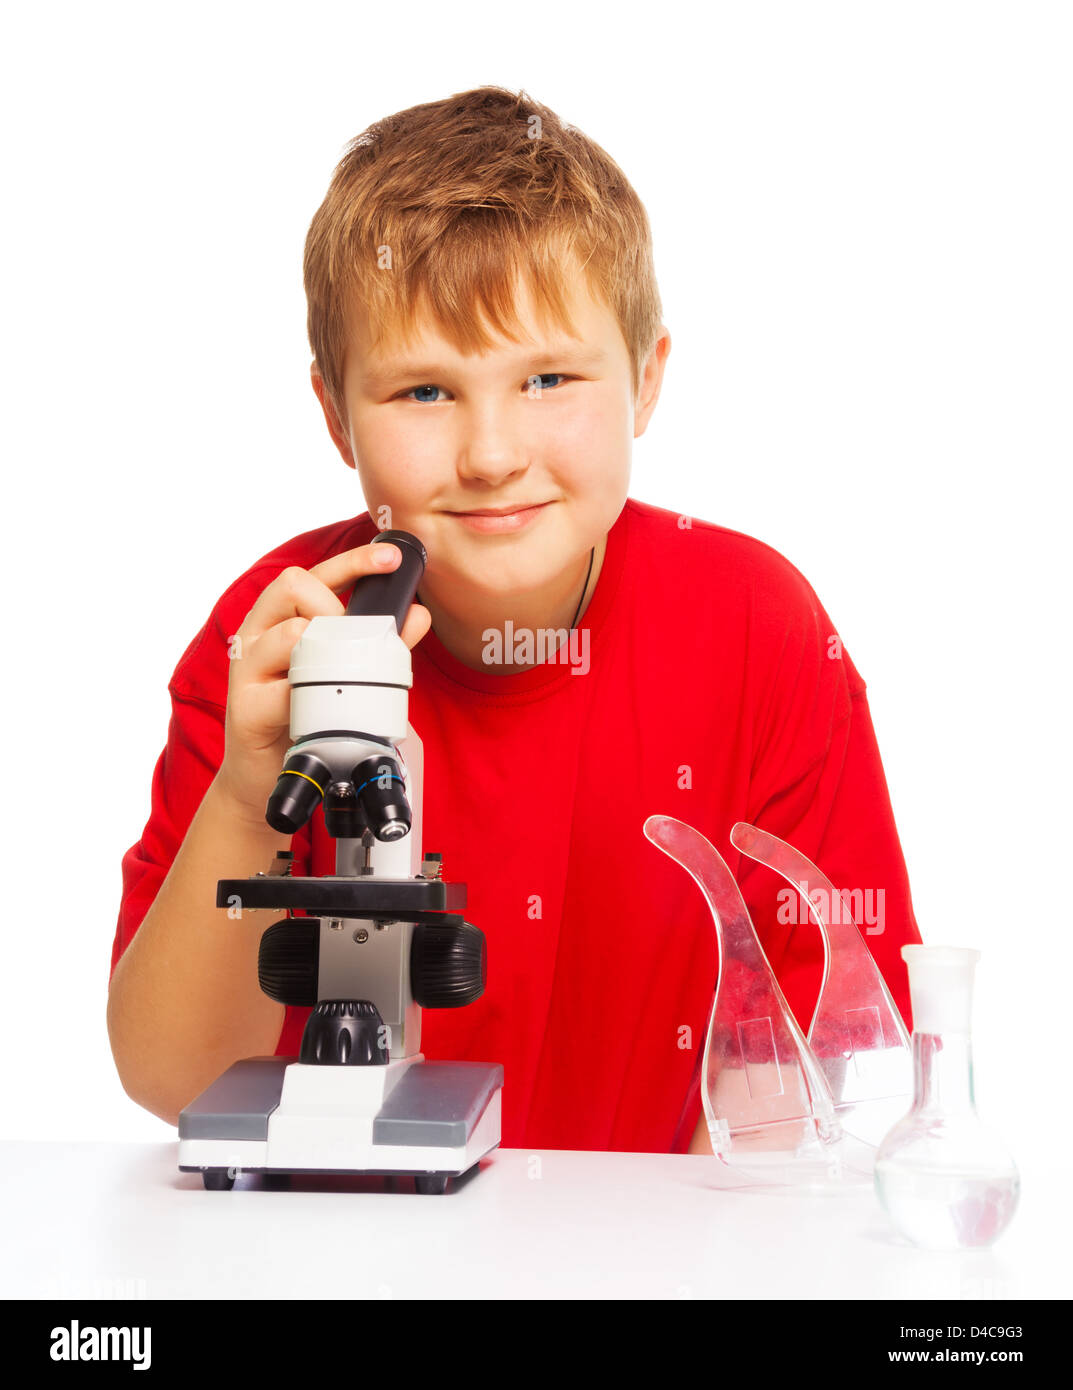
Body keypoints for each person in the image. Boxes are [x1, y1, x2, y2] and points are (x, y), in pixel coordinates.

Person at [107, 85, 921, 1154]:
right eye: (423, 393)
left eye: (547, 377)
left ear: (644, 379)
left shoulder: (757, 631)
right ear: (331, 413)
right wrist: (250, 790)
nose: (491, 454)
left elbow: (847, 1062)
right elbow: (172, 1077)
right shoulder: (275, 631)